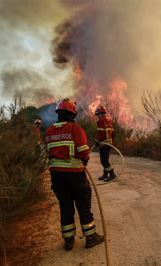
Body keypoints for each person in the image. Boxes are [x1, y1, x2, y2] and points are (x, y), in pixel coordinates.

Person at [45, 98, 104, 251]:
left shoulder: (49, 131)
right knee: (83, 205)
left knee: (65, 207)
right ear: (72, 113)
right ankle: (90, 237)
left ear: (58, 113)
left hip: (57, 176)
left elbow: (48, 153)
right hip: (75, 176)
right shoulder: (75, 129)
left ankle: (69, 241)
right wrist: (84, 161)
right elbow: (84, 152)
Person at [94, 105, 116, 182]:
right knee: (105, 159)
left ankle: (112, 174)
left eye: (97, 115)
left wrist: (96, 141)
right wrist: (112, 141)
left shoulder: (100, 121)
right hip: (109, 144)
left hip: (103, 144)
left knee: (104, 161)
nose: (97, 116)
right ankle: (105, 174)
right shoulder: (108, 121)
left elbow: (100, 132)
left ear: (99, 114)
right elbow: (113, 133)